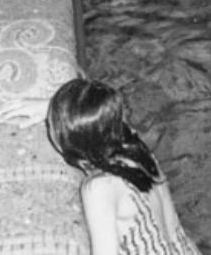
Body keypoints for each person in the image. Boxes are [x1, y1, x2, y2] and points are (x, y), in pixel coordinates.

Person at [46, 77, 203, 255]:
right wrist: (61, 114)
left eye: (48, 124)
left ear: (68, 140)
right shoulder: (137, 150)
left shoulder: (100, 188)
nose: (47, 125)